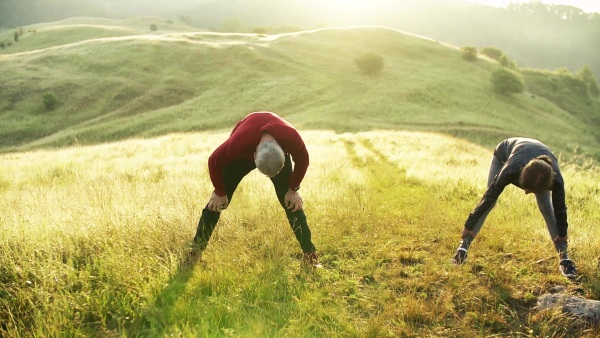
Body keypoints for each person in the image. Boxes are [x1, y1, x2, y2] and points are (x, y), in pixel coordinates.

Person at [193, 111, 322, 268]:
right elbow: (213, 161)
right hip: (243, 153)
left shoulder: (291, 138)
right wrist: (220, 192)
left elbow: (303, 160)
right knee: (216, 203)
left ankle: (310, 256)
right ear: (254, 156)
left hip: (271, 150)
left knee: (291, 202)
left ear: (284, 151)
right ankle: (195, 253)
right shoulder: (237, 145)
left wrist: (293, 188)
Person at [450, 137, 577, 279]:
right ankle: (463, 248)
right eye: (527, 188)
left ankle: (565, 259)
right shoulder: (510, 170)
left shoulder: (555, 179)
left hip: (537, 160)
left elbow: (560, 208)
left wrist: (562, 233)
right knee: (491, 203)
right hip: (505, 153)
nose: (526, 193)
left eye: (532, 190)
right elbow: (489, 196)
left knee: (546, 207)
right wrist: (469, 225)